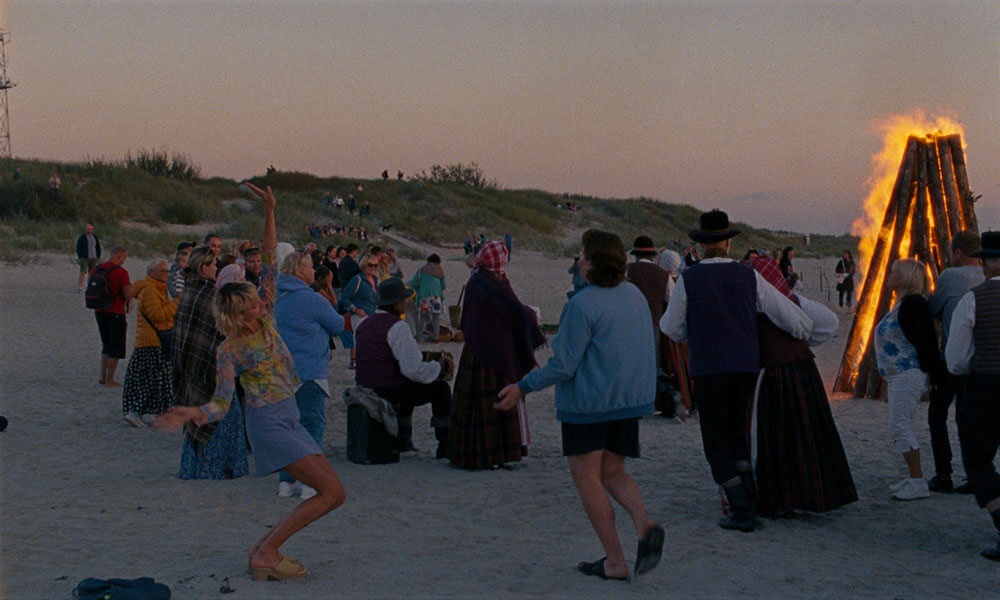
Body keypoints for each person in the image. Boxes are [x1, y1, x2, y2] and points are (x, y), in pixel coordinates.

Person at [156, 183, 345, 581]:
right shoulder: (230, 350)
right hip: (269, 425)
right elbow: (222, 404)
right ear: (239, 314)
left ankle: (262, 550)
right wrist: (191, 412)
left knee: (331, 492)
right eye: (254, 303)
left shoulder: (267, 317)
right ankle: (267, 552)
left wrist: (270, 212)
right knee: (333, 493)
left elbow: (271, 259)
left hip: (289, 417)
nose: (262, 301)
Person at [497, 229, 664, 581]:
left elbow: (564, 365)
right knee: (612, 472)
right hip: (628, 402)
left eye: (584, 255)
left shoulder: (582, 305)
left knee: (587, 479)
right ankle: (644, 522)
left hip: (589, 405)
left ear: (594, 262)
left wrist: (523, 387)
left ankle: (615, 561)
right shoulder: (634, 295)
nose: (580, 260)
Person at [661, 210, 813, 532]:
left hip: (709, 368)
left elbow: (671, 328)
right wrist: (803, 334)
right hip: (745, 367)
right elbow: (789, 316)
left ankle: (741, 509)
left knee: (716, 439)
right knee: (738, 434)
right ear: (728, 243)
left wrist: (695, 333)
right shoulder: (749, 276)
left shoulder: (689, 279)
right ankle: (750, 496)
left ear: (702, 245)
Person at [745, 256, 857, 516]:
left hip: (769, 373)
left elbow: (826, 323)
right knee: (804, 432)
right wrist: (805, 342)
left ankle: (777, 498)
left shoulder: (750, 305)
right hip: (801, 369)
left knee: (771, 436)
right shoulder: (791, 302)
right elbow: (827, 323)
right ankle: (807, 495)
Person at [449, 241, 544, 470]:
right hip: (496, 353)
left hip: (477, 351)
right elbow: (515, 312)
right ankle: (496, 454)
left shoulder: (477, 281)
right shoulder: (491, 284)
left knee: (476, 405)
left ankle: (477, 453)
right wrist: (532, 315)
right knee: (496, 400)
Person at [945, 230, 1000, 560]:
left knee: (978, 460)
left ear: (986, 264)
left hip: (987, 387)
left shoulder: (973, 299)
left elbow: (956, 359)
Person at [172, 245, 248, 480]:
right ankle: (215, 468)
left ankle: (193, 467)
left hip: (190, 367)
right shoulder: (211, 296)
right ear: (204, 268)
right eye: (214, 264)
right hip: (212, 369)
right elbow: (223, 332)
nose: (217, 268)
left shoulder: (189, 290)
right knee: (221, 416)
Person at [355, 277, 453, 456]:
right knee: (441, 390)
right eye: (404, 300)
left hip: (365, 385)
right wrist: (437, 366)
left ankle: (403, 440)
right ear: (396, 304)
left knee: (407, 384)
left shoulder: (364, 324)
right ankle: (444, 445)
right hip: (386, 388)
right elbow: (413, 369)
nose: (406, 303)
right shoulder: (398, 327)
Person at [274, 251, 345, 498]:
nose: (314, 271)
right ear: (300, 270)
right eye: (310, 267)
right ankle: (309, 482)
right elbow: (337, 324)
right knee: (312, 424)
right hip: (309, 370)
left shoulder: (281, 298)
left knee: (289, 427)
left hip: (285, 372)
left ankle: (286, 480)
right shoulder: (311, 298)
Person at [874, 258, 943, 501]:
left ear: (906, 277)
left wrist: (932, 375)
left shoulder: (913, 304)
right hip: (898, 375)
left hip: (908, 374)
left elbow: (927, 342)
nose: (889, 275)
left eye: (894, 272)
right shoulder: (902, 304)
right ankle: (914, 478)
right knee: (899, 424)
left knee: (900, 425)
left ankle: (917, 481)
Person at [927, 230, 985, 493]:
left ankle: (944, 474)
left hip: (952, 361)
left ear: (958, 252)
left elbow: (932, 308)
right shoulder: (987, 276)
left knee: (937, 415)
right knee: (968, 419)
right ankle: (974, 476)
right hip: (980, 363)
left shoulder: (950, 276)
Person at [121, 260, 177, 427]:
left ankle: (150, 412)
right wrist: (176, 303)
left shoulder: (157, 289)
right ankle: (136, 412)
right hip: (152, 342)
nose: (166, 274)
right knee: (149, 380)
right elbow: (157, 315)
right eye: (162, 271)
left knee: (154, 379)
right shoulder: (150, 290)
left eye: (167, 271)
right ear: (151, 272)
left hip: (152, 341)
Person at [625, 236, 672, 416]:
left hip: (630, 322)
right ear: (653, 255)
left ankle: (633, 400)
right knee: (654, 361)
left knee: (631, 362)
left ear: (636, 254)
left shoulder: (628, 271)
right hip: (654, 321)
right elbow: (671, 299)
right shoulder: (663, 274)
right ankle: (655, 400)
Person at [93, 246, 132, 388]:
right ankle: (110, 379)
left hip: (99, 310)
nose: (123, 262)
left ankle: (102, 376)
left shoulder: (97, 269)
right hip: (115, 312)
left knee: (106, 344)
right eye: (123, 259)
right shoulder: (121, 272)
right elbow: (127, 295)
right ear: (119, 256)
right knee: (116, 347)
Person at [341, 253, 380, 369]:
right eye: (370, 265)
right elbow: (344, 297)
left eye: (375, 265)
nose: (373, 267)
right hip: (359, 316)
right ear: (364, 265)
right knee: (362, 343)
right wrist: (355, 309)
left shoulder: (375, 280)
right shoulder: (357, 279)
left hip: (372, 316)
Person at [408, 254, 446, 342]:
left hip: (424, 297)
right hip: (436, 297)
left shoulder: (422, 270)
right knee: (436, 319)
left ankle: (419, 338)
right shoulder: (440, 271)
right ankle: (436, 339)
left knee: (422, 317)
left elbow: (414, 283)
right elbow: (443, 286)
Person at [76, 224, 101, 293]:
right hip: (85, 257)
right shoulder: (82, 237)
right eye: (88, 229)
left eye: (91, 229)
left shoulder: (94, 237)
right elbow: (78, 247)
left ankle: (90, 287)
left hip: (93, 257)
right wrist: (80, 256)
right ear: (86, 229)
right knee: (83, 272)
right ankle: (80, 287)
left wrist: (98, 255)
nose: (89, 230)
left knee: (91, 273)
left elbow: (98, 247)